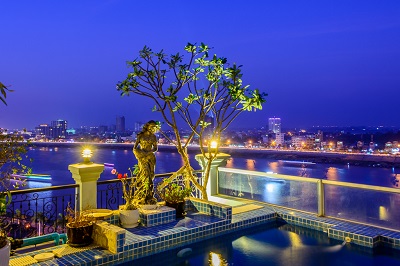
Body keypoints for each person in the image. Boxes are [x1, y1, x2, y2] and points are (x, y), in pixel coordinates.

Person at [133, 120, 158, 205]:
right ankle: (142, 194)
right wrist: (140, 154)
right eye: (151, 127)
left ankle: (149, 195)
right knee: (145, 173)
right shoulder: (140, 136)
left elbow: (155, 148)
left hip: (150, 157)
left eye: (154, 127)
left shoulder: (153, 137)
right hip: (143, 158)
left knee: (150, 175)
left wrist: (150, 151)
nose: (152, 129)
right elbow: (135, 148)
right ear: (147, 127)